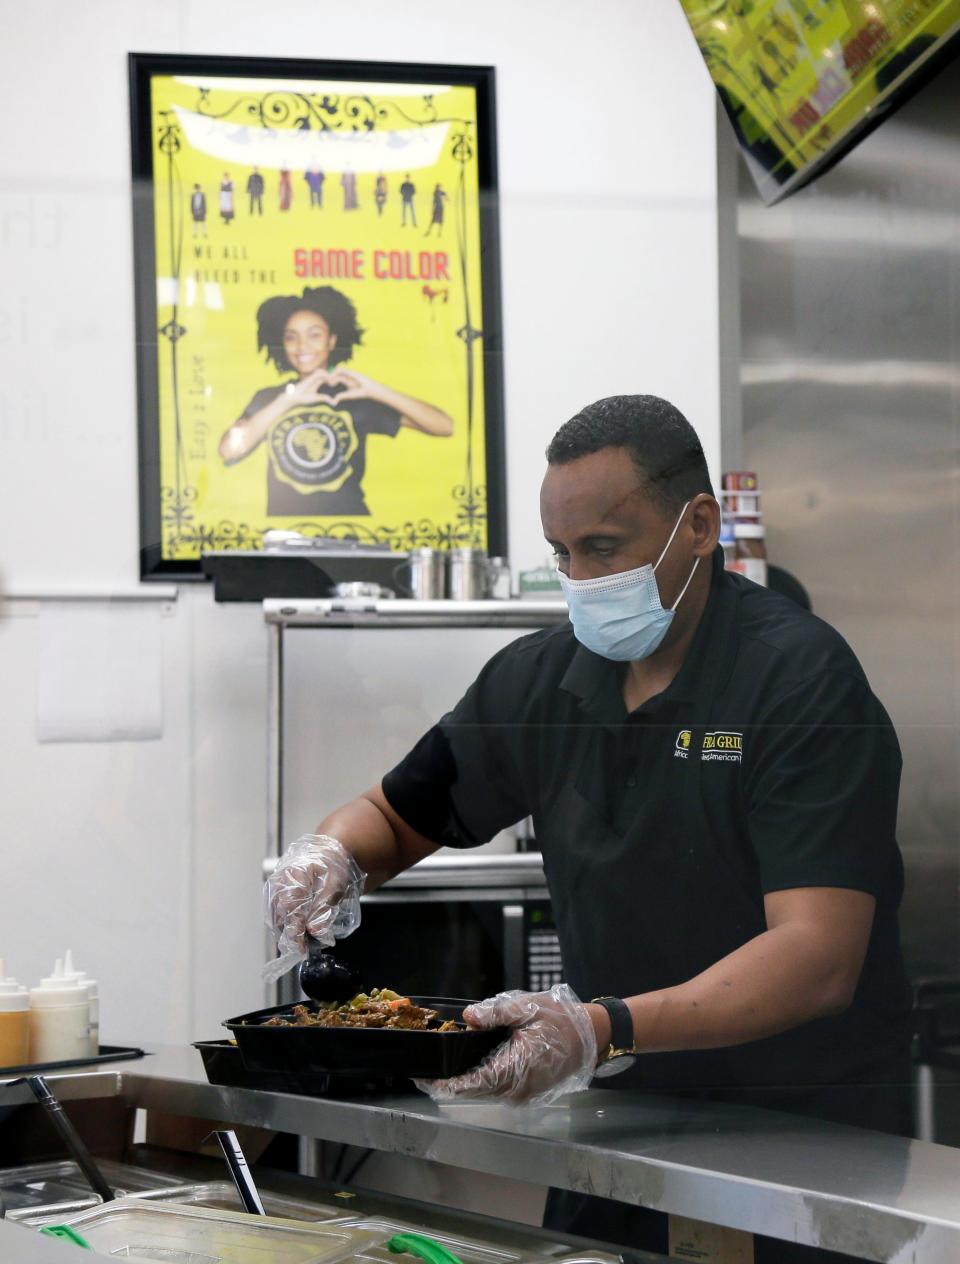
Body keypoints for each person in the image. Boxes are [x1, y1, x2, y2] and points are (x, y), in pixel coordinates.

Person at [265, 395, 912, 1264]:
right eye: (562, 555)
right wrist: (332, 854)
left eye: (604, 548)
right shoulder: (541, 683)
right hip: (623, 1112)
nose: (581, 579)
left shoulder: (799, 683)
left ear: (699, 527)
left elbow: (818, 957)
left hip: (803, 1121)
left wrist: (595, 1028)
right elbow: (393, 813)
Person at [218, 285, 453, 517]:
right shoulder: (270, 398)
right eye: (292, 337)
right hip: (287, 537)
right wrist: (289, 400)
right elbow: (229, 451)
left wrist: (376, 390)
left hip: (349, 534)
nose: (302, 346)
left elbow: (444, 426)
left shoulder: (353, 396)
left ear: (331, 340)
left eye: (314, 335)